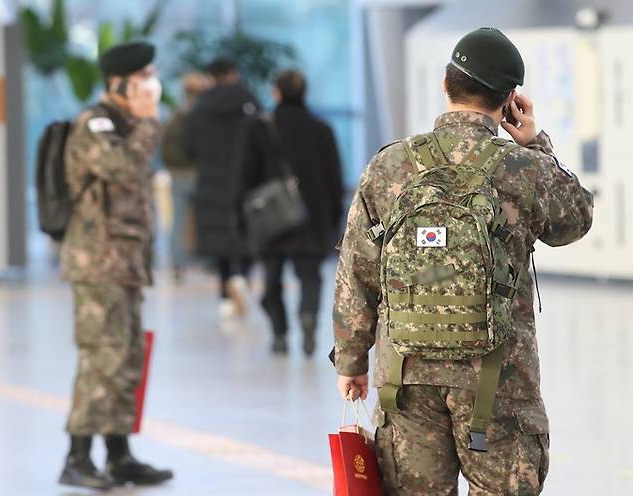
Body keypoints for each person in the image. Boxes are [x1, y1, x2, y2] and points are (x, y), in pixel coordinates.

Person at [333, 28, 593, 495]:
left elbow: (357, 270)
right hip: (498, 380)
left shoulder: (389, 167)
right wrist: (537, 144)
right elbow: (575, 220)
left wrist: (351, 359)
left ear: (445, 84)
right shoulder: (522, 168)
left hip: (405, 378)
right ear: (510, 99)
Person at [59, 42, 173, 490]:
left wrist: (142, 122)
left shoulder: (126, 124)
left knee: (126, 358)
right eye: (143, 76)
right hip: (98, 264)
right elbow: (123, 168)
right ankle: (77, 456)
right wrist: (147, 122)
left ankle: (118, 454)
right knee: (100, 358)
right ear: (118, 83)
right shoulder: (95, 124)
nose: (150, 84)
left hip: (123, 264)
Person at [238, 70, 344, 355]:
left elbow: (246, 177)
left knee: (272, 279)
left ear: (276, 93)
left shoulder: (259, 128)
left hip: (271, 217)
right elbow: (334, 179)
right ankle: (308, 314)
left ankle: (280, 334)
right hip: (312, 217)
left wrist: (242, 218)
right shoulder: (322, 129)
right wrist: (334, 219)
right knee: (310, 276)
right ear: (304, 94)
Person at [181, 58, 259, 319]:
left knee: (218, 235)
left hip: (211, 179)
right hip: (247, 178)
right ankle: (243, 276)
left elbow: (188, 145)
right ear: (234, 74)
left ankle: (226, 292)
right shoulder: (250, 102)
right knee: (246, 229)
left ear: (210, 77)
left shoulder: (201, 107)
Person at [161, 72, 209, 283]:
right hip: (197, 171)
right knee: (203, 217)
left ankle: (177, 262)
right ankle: (207, 259)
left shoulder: (175, 113)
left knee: (178, 219)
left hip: (176, 172)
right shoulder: (202, 113)